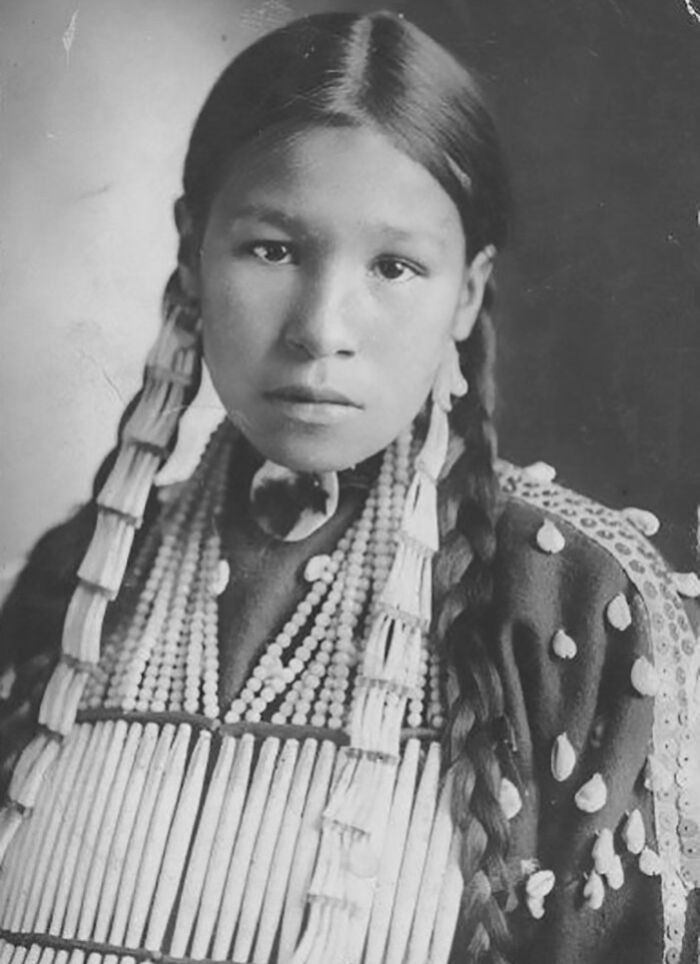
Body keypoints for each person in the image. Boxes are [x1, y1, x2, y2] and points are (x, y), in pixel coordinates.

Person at [0, 10, 698, 964]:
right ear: (191, 250)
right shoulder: (72, 583)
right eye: (273, 249)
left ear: (468, 291)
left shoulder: (577, 606)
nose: (322, 326)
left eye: (395, 266)